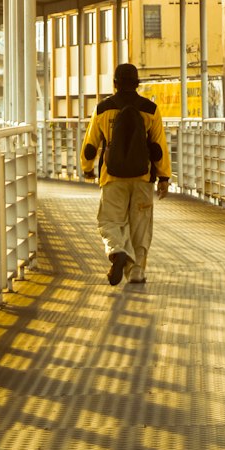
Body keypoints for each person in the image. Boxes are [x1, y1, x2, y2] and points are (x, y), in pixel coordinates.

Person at [81, 62, 172, 286]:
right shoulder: (150, 110)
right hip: (143, 178)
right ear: (137, 85)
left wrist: (87, 168)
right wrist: (164, 178)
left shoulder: (103, 109)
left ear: (114, 84)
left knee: (109, 221)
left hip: (112, 178)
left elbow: (90, 144)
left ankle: (117, 249)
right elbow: (158, 147)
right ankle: (136, 272)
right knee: (140, 225)